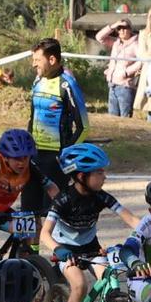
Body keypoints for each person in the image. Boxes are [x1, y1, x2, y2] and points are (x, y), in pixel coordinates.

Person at [43, 143, 132, 302]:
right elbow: (44, 234)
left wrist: (150, 227)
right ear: (82, 176)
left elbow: (130, 218)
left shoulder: (101, 196)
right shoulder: (63, 200)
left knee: (110, 279)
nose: (104, 177)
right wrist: (58, 250)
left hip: (92, 249)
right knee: (80, 285)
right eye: (99, 172)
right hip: (67, 252)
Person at [0, 128, 58, 236]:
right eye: (17, 158)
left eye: (25, 158)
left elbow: (51, 187)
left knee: (34, 227)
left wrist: (59, 206)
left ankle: (26, 252)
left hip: (3, 211)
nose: (21, 163)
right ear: (6, 157)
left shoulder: (30, 167)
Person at [27, 36, 88, 189]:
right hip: (34, 156)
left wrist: (65, 154)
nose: (33, 64)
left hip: (55, 159)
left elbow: (84, 127)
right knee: (29, 208)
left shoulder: (67, 85)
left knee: (51, 210)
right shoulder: (37, 82)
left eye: (37, 60)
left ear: (52, 60)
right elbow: (32, 118)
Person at [99, 18, 142, 117]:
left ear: (130, 29)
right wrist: (113, 26)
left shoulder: (136, 44)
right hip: (112, 85)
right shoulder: (115, 43)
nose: (122, 30)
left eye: (125, 27)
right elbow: (99, 37)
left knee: (125, 118)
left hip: (125, 86)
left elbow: (142, 61)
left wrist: (126, 72)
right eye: (119, 28)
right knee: (112, 119)